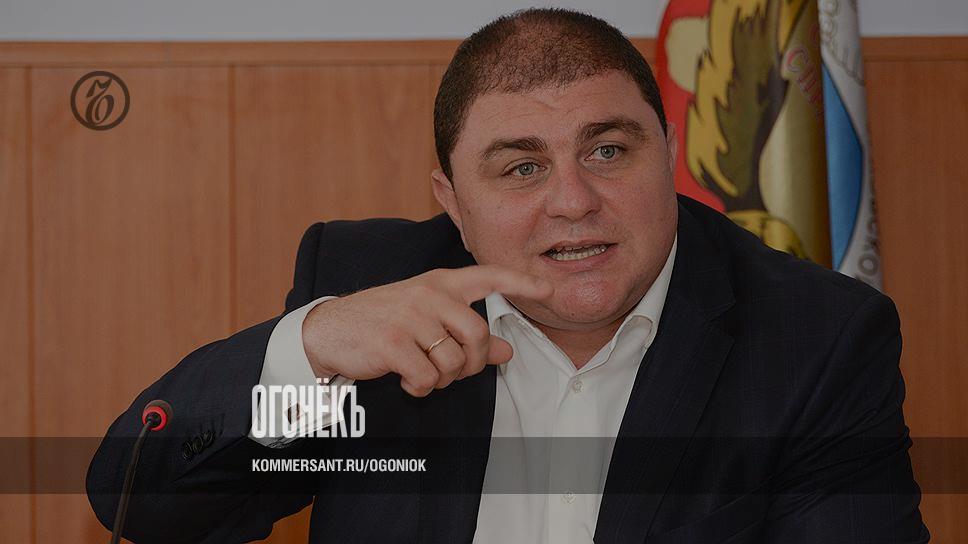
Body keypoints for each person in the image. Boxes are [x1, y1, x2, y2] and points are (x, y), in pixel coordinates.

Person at [87, 8, 929, 543]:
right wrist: (308, 348)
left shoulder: (813, 340)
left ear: (668, 153)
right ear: (453, 203)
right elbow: (146, 502)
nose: (574, 201)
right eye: (522, 168)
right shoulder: (373, 296)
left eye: (609, 151)